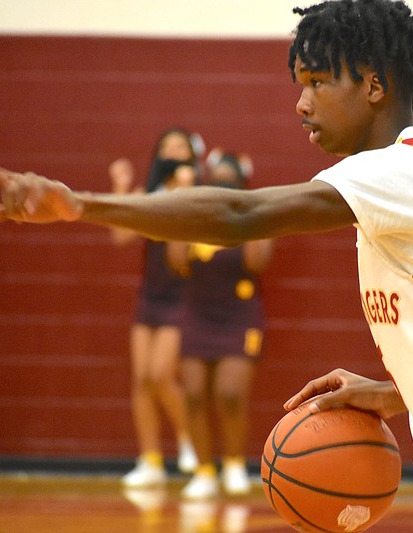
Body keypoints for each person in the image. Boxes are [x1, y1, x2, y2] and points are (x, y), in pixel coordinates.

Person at [0, 1, 413, 530]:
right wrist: (398, 391)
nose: (301, 104)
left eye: (318, 82)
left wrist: (82, 204)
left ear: (374, 85)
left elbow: (242, 216)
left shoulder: (400, 173)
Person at [166, 148, 274, 499]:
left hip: (239, 316)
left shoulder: (251, 216)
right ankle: (203, 471)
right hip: (197, 313)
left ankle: (233, 464)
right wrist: (182, 209)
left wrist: (255, 220)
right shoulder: (197, 216)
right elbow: (176, 261)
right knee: (195, 395)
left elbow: (258, 262)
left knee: (229, 394)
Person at [108, 128, 200, 488]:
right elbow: (120, 235)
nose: (174, 153)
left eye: (181, 146)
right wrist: (120, 185)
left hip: (184, 295)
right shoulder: (149, 196)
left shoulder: (198, 194)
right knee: (142, 379)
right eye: (167, 147)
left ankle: (188, 439)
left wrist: (189, 189)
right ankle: (150, 460)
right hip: (151, 295)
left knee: (162, 374)